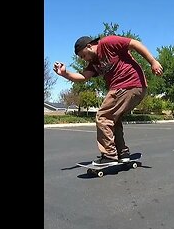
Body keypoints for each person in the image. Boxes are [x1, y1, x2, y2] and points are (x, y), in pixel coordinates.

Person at [53, 35, 163, 165]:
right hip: (130, 88)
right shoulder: (94, 63)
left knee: (103, 117)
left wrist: (153, 61)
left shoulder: (107, 42)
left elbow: (134, 43)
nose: (84, 59)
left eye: (83, 56)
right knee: (112, 120)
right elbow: (83, 77)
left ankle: (109, 155)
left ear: (89, 46)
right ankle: (122, 152)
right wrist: (65, 73)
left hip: (129, 83)